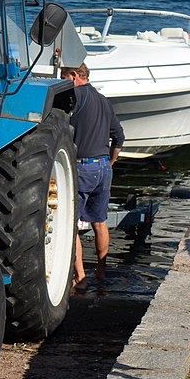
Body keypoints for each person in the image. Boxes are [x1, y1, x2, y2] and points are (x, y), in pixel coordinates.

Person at [61, 63, 124, 285]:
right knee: (99, 222)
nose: (62, 82)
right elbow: (119, 137)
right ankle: (100, 270)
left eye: (64, 77)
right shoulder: (104, 100)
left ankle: (80, 276)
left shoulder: (74, 95)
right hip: (104, 166)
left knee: (72, 224)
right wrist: (111, 161)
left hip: (82, 166)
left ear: (75, 75)